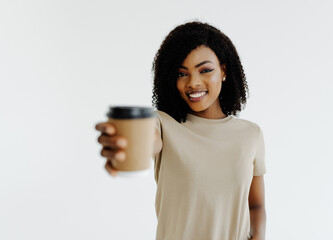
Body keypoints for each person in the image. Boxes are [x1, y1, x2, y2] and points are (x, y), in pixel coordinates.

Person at [95, 21, 266, 240]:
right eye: (181, 74)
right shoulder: (163, 124)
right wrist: (126, 144)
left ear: (223, 70)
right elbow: (147, 139)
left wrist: (258, 236)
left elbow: (256, 205)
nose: (193, 82)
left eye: (205, 70)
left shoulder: (251, 134)